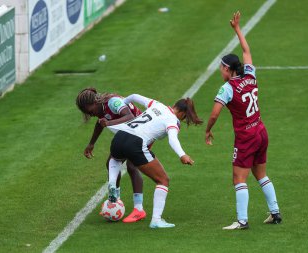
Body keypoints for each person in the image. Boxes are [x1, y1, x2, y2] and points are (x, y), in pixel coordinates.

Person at [205, 11, 282, 230]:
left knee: (239, 178)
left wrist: (208, 130)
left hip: (246, 137)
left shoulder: (227, 88)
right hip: (260, 130)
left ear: (227, 69)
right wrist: (237, 29)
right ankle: (275, 213)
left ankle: (242, 220)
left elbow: (214, 113)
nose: (220, 71)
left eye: (221, 68)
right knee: (261, 174)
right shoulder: (250, 75)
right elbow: (247, 51)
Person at [107, 94, 202, 228]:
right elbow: (172, 139)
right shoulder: (173, 120)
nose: (183, 119)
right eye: (185, 116)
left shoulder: (156, 104)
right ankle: (156, 220)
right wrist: (182, 155)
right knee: (163, 180)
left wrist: (123, 102)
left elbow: (134, 96)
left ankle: (112, 181)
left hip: (120, 135)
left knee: (115, 159)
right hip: (136, 143)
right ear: (181, 112)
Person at [76, 87, 146, 223]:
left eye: (90, 111)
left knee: (132, 166)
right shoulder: (99, 108)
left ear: (94, 103)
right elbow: (99, 123)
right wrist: (91, 144)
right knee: (111, 162)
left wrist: (108, 123)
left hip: (143, 132)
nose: (91, 114)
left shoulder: (113, 102)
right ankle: (115, 199)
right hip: (129, 134)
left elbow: (130, 117)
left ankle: (139, 209)